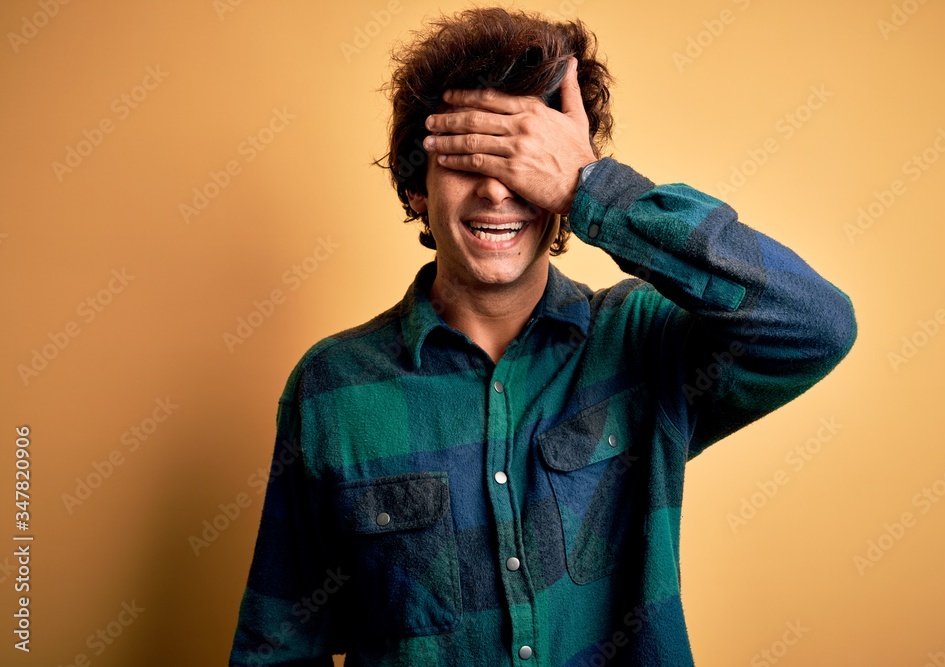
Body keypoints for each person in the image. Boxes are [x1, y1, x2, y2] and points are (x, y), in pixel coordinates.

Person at [229, 7, 857, 666]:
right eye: (469, 156)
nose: (498, 189)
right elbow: (276, 646)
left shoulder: (643, 344)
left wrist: (592, 189)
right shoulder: (331, 389)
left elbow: (816, 324)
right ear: (417, 184)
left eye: (525, 160)